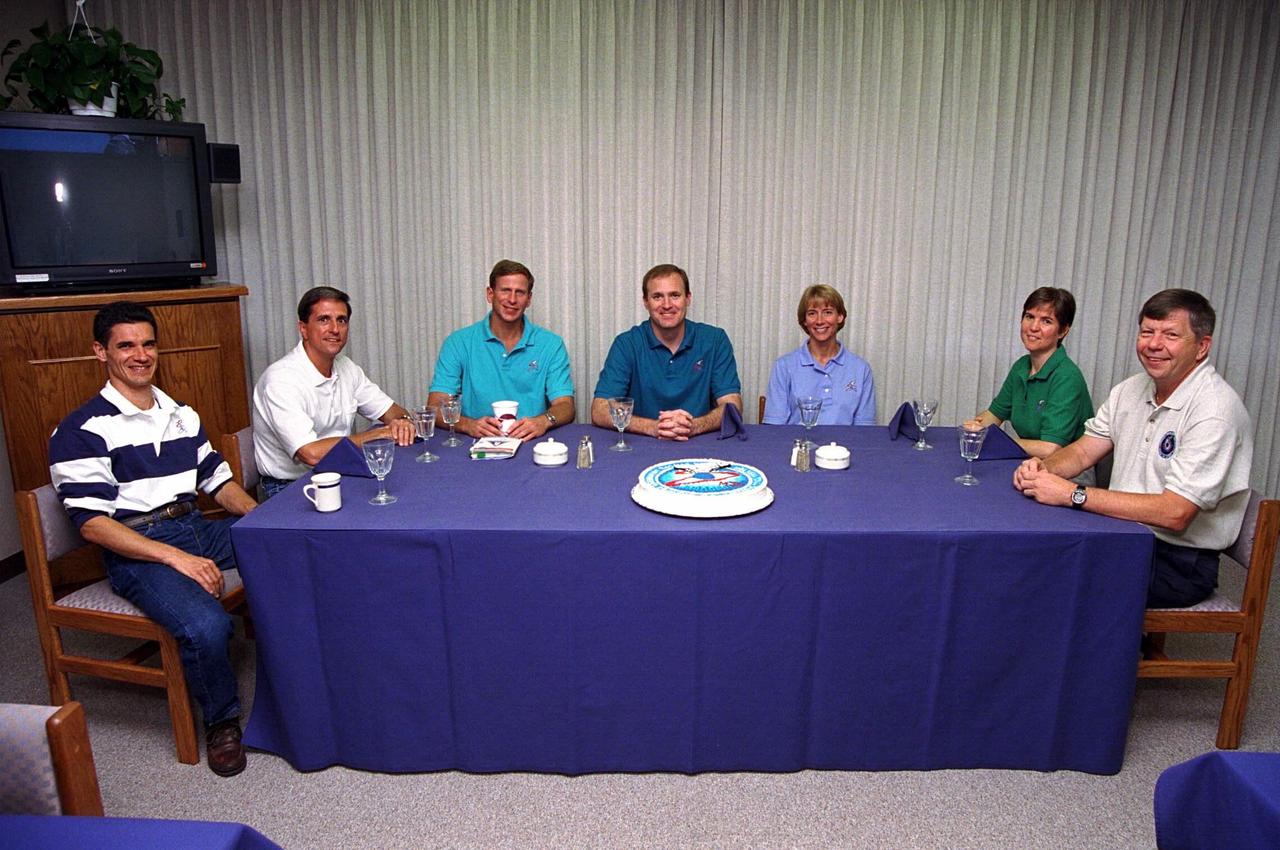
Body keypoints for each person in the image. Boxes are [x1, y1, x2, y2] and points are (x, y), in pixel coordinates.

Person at [48, 302, 259, 777]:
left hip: (195, 527)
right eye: (126, 345)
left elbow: (218, 484)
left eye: (147, 343)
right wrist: (176, 559)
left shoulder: (180, 413)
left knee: (285, 555)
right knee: (207, 626)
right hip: (136, 546)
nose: (140, 355)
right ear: (100, 352)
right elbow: (93, 525)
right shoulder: (81, 430)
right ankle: (222, 722)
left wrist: (264, 523)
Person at [1014, 289, 1253, 608]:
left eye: (1170, 335)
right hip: (1120, 532)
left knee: (1046, 576)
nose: (1154, 344)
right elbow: (1084, 451)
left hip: (1176, 560)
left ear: (1202, 347)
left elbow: (1175, 513)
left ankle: (1092, 655)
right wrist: (1044, 469)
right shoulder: (1130, 389)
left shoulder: (1215, 410)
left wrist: (1074, 494)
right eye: (1147, 332)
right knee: (1026, 553)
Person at [252, 286, 415, 498]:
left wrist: (401, 422)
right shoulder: (281, 379)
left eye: (341, 320)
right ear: (303, 328)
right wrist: (376, 434)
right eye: (324, 320)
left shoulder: (346, 367)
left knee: (405, 495)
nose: (335, 329)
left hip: (342, 473)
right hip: (291, 486)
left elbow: (393, 412)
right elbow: (310, 454)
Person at [427, 260, 575, 441]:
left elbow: (565, 405)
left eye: (519, 292)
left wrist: (543, 421)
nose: (512, 299)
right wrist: (469, 425)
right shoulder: (459, 343)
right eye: (505, 290)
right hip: (474, 443)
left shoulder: (551, 344)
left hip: (532, 442)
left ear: (529, 299)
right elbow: (435, 406)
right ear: (490, 294)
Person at [592, 263, 743, 440]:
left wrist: (692, 426)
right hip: (642, 444)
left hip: (701, 443)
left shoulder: (715, 340)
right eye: (657, 297)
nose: (667, 305)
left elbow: (733, 406)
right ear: (645, 302)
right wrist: (654, 428)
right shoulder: (627, 344)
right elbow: (599, 409)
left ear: (688, 298)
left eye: (675, 295)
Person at [964, 287, 1093, 459]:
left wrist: (998, 440)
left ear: (1063, 331)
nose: (1033, 327)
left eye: (1046, 321)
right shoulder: (1021, 366)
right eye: (1029, 316)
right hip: (1028, 461)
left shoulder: (1067, 377)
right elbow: (994, 415)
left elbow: (1051, 448)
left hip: (1068, 472)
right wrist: (974, 428)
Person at [762, 284, 876, 425]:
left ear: (840, 317)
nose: (820, 320)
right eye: (812, 313)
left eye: (827, 312)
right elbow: (774, 429)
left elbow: (865, 431)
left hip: (845, 447)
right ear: (804, 321)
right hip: (796, 446)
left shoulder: (861, 369)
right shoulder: (783, 367)